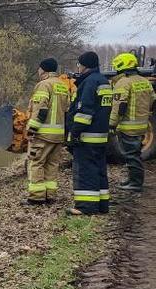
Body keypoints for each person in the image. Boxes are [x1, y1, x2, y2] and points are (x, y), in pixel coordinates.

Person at [66, 51, 112, 215]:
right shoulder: (104, 81)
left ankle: (85, 207)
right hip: (101, 136)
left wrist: (74, 133)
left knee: (86, 171)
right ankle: (102, 205)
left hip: (87, 136)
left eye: (79, 64)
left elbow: (84, 112)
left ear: (84, 65)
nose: (78, 67)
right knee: (99, 169)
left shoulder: (89, 82)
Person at [24, 58, 71, 205]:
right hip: (58, 135)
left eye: (39, 69)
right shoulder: (63, 86)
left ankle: (36, 197)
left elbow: (40, 110)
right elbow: (68, 110)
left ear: (43, 69)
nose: (38, 71)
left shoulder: (44, 85)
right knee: (52, 164)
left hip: (43, 134)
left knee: (36, 163)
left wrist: (32, 129)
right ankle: (50, 195)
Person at [109, 53, 156, 192]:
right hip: (142, 125)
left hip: (129, 126)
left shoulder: (123, 82)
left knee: (130, 155)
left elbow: (119, 106)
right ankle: (133, 180)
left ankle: (135, 183)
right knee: (135, 154)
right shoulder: (144, 81)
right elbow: (153, 100)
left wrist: (111, 124)